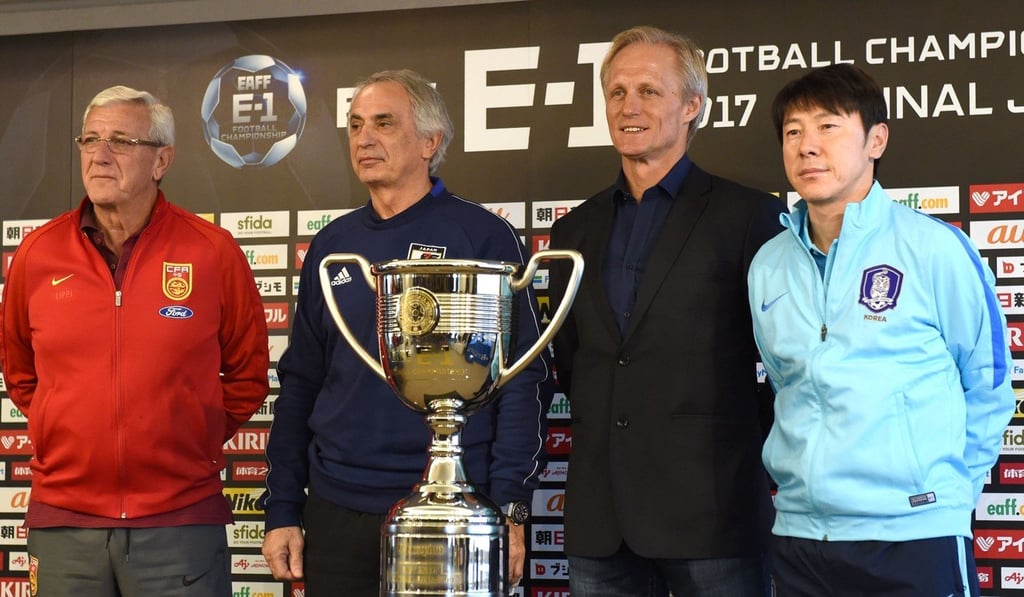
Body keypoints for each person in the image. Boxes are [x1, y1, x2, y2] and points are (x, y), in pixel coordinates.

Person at [260, 69, 552, 596]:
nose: (364, 138)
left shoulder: (482, 237)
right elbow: (300, 382)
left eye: (384, 123)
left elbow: (520, 379)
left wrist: (510, 507)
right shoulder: (331, 248)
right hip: (338, 506)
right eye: (354, 125)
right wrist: (283, 507)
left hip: (454, 510)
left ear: (430, 142)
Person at [748, 63, 1015, 596]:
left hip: (915, 536)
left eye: (828, 126)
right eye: (793, 131)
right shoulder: (767, 265)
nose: (807, 146)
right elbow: (787, 385)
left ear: (876, 140)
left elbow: (986, 382)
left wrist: (943, 492)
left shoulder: (934, 247)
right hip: (802, 537)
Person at [0, 85, 270, 596]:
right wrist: (62, 427)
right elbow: (20, 373)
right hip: (64, 522)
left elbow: (248, 374)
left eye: (121, 141)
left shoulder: (212, 251)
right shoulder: (37, 253)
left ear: (161, 160)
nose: (100, 155)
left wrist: (189, 433)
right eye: (90, 139)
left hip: (180, 519)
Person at [547, 26, 784, 597]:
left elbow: (784, 365)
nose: (629, 107)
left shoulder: (749, 217)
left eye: (649, 91)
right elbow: (574, 362)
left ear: (692, 106)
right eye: (618, 92)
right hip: (601, 520)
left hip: (713, 513)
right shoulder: (572, 231)